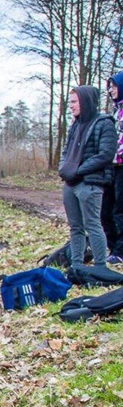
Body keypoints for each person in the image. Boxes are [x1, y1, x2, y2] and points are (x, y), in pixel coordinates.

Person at [59, 85, 116, 269]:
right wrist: (64, 168)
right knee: (75, 228)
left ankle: (100, 267)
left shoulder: (104, 123)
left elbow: (106, 154)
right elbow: (66, 151)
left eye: (74, 102)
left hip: (90, 183)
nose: (71, 106)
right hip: (70, 183)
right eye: (71, 102)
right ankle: (77, 265)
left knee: (93, 225)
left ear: (85, 101)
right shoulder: (75, 125)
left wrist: (80, 170)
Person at [107, 72, 123, 263]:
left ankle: (120, 252)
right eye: (109, 87)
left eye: (114, 86)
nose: (111, 90)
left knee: (120, 210)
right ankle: (113, 248)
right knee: (106, 211)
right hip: (111, 166)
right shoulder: (114, 111)